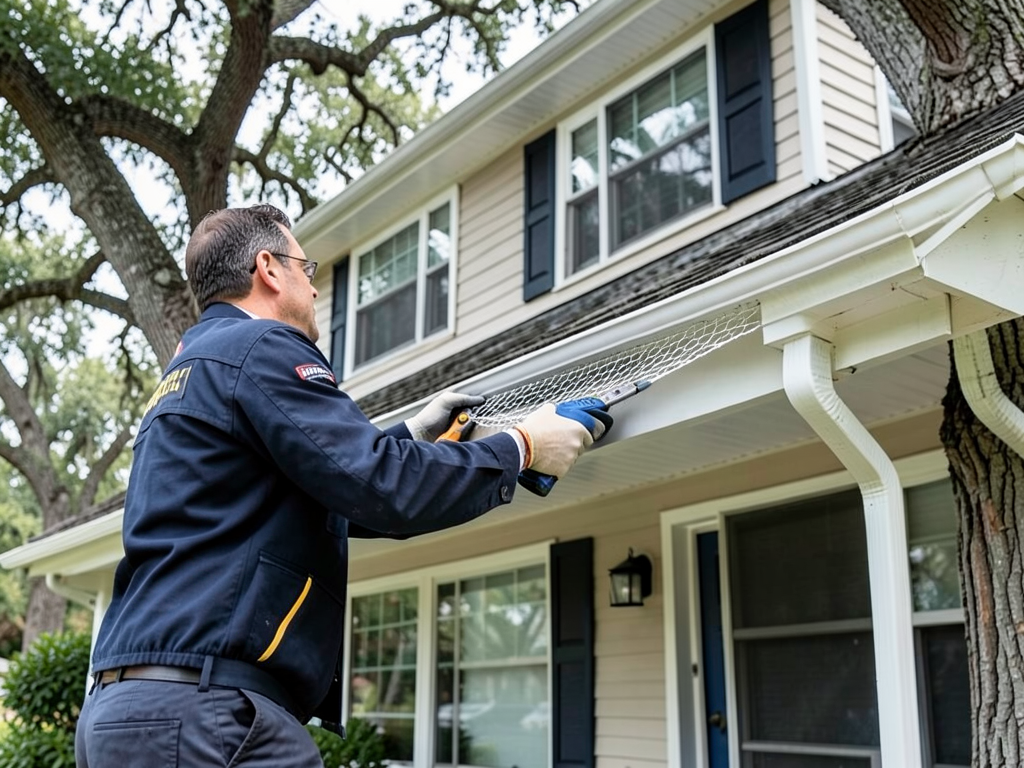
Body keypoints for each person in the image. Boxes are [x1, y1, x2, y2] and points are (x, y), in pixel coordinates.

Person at [74, 204, 610, 767]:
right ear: (269, 269)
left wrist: (411, 435)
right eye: (305, 268)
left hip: (124, 712)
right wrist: (523, 446)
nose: (313, 287)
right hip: (206, 714)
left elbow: (322, 494)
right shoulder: (261, 345)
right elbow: (381, 487)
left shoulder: (187, 375)